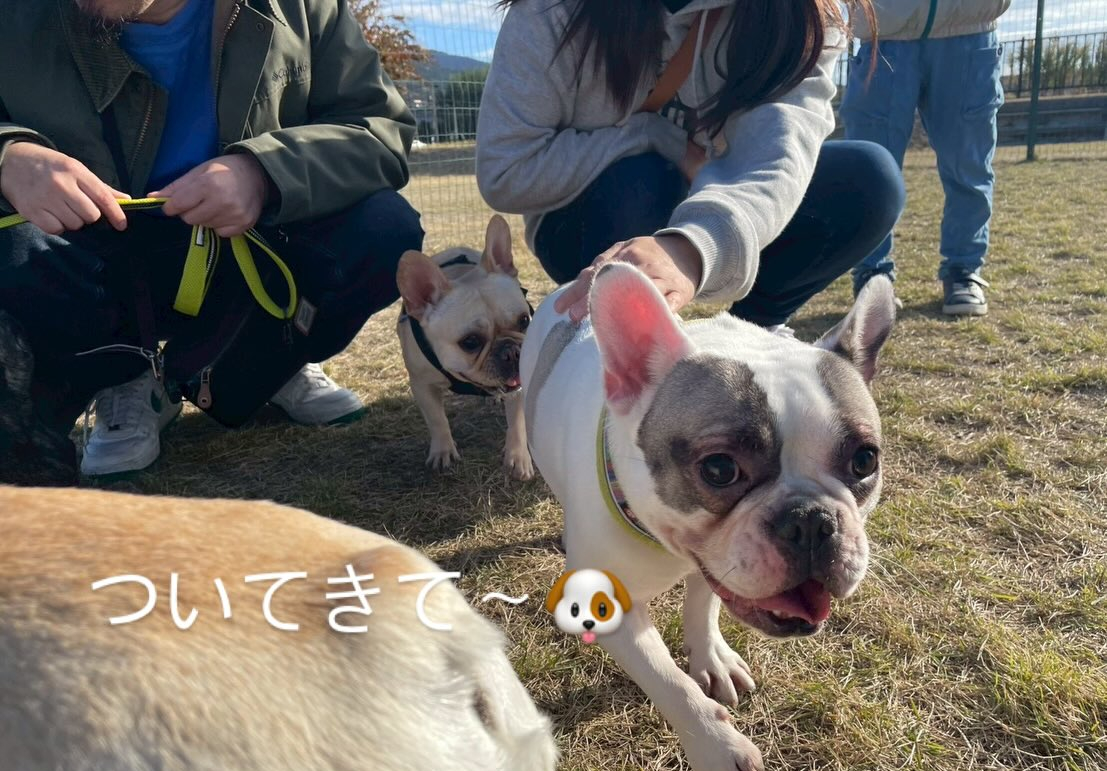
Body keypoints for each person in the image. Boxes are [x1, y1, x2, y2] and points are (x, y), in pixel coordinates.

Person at [0, 0, 423, 483]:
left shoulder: (304, 8)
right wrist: (10, 155)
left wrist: (264, 172)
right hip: (91, 260)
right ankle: (123, 378)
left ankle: (255, 367)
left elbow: (380, 127)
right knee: (14, 253)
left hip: (251, 249)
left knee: (384, 229)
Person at [475, 0, 904, 328]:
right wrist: (653, 137)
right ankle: (624, 350)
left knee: (868, 180)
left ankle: (748, 331)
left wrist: (694, 245)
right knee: (642, 178)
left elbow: (778, 152)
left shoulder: (803, 15)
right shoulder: (552, 12)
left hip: (718, 203)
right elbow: (505, 169)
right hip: (593, 219)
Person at [841, 0, 1011, 316]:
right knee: (870, 170)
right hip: (884, 30)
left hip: (969, 25)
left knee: (968, 167)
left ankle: (963, 270)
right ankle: (871, 275)